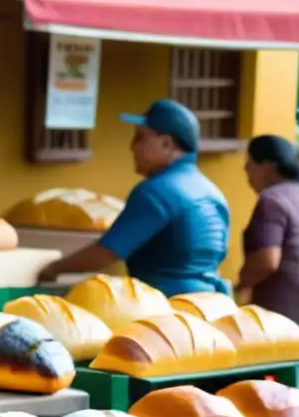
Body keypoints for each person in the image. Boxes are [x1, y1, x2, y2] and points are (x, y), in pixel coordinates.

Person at [38, 99, 230, 297]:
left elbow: (106, 253)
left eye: (140, 138)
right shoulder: (212, 192)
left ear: (166, 144)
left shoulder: (156, 192)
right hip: (210, 302)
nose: (132, 147)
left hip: (166, 307)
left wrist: (52, 269)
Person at [237, 135, 299, 322]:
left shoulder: (272, 200)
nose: (245, 169)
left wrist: (239, 286)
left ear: (268, 166)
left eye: (250, 162)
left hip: (282, 313)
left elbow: (267, 261)